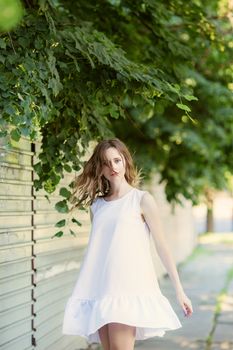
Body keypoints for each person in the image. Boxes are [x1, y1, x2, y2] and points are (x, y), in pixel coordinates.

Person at [62, 138, 193, 350]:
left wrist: (179, 290)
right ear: (100, 168)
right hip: (100, 290)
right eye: (106, 162)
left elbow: (162, 246)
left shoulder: (141, 200)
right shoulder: (97, 206)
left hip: (126, 290)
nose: (113, 167)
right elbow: (100, 251)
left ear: (125, 161)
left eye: (117, 160)